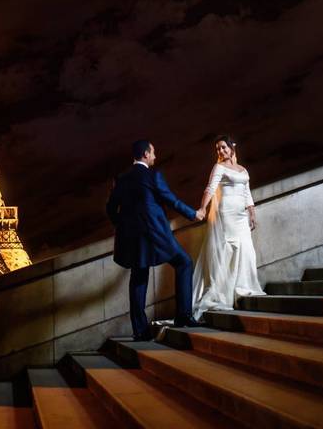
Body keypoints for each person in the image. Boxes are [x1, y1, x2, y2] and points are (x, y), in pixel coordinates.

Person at [106, 139, 206, 341]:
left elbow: (110, 209)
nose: (155, 156)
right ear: (145, 154)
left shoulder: (122, 179)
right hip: (156, 233)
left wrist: (124, 226)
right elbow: (171, 200)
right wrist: (193, 214)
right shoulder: (153, 176)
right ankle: (183, 316)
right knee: (184, 262)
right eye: (153, 153)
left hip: (132, 237)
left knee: (139, 276)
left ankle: (140, 332)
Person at [191, 135, 265, 321]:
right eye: (218, 149)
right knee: (228, 250)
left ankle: (244, 287)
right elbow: (210, 188)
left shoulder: (242, 169)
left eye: (224, 147)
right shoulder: (219, 167)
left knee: (246, 250)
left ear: (232, 147)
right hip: (226, 213)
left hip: (241, 215)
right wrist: (202, 207)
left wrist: (252, 213)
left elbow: (247, 193)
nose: (221, 151)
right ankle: (223, 293)